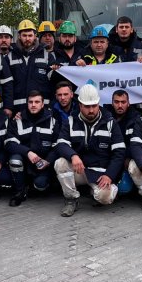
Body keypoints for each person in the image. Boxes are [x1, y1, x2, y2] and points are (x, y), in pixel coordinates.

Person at [54, 84, 125, 217]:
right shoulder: (70, 121)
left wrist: (110, 175)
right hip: (80, 170)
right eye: (87, 106)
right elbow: (61, 144)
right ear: (80, 105)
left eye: (94, 105)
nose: (91, 110)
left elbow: (119, 152)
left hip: (101, 174)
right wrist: (73, 156)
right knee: (61, 163)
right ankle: (71, 199)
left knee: (105, 198)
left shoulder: (110, 122)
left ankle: (96, 192)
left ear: (98, 103)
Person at [4, 90, 60, 206]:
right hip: (24, 163)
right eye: (30, 102)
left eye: (37, 102)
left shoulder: (53, 121)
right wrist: (28, 152)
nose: (33, 105)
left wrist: (48, 161)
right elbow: (9, 143)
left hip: (43, 165)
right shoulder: (17, 121)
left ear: (42, 104)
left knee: (40, 185)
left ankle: (33, 186)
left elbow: (58, 146)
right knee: (15, 159)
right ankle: (19, 192)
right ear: (27, 103)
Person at [7, 20, 55, 113]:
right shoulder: (9, 57)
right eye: (24, 35)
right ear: (19, 36)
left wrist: (50, 106)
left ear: (35, 36)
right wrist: (9, 107)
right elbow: (7, 86)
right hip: (17, 110)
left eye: (30, 35)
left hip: (42, 110)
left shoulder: (46, 55)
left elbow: (53, 83)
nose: (27, 38)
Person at [106, 89, 140, 195]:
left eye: (123, 102)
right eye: (116, 102)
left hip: (126, 158)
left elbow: (137, 145)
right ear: (112, 103)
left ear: (128, 103)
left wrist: (125, 157)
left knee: (124, 188)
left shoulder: (136, 119)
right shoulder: (105, 117)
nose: (120, 105)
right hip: (109, 156)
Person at [51, 21, 84, 86]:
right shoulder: (52, 55)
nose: (67, 39)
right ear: (59, 38)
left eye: (70, 36)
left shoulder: (83, 55)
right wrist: (54, 71)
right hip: (60, 95)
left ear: (75, 38)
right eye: (64, 36)